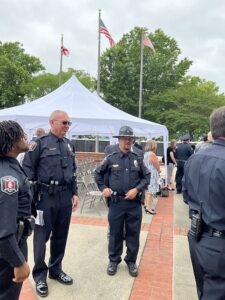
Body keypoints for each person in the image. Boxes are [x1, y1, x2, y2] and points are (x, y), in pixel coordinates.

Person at [22, 110, 79, 298]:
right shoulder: (39, 144)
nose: (67, 126)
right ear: (52, 122)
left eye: (69, 123)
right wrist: (31, 198)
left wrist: (75, 192)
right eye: (64, 123)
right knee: (41, 238)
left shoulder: (69, 145)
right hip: (44, 199)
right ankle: (40, 276)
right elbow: (27, 171)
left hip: (65, 198)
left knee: (61, 236)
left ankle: (56, 269)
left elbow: (73, 171)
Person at [95, 126, 150, 277]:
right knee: (115, 233)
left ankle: (131, 261)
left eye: (130, 139)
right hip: (116, 203)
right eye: (125, 138)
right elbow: (98, 173)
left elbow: (147, 177)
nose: (128, 141)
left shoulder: (138, 157)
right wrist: (103, 188)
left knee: (133, 233)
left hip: (134, 204)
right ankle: (114, 260)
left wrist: (137, 189)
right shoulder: (111, 157)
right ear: (119, 140)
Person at [183, 106, 225, 299]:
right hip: (219, 245)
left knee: (204, 291)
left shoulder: (195, 158)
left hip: (197, 238)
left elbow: (185, 195)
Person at [0, 120, 34, 300]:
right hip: (9, 249)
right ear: (12, 140)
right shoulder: (8, 177)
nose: (25, 137)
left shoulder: (10, 165)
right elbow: (3, 229)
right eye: (22, 134)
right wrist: (18, 261)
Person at [143, 140, 160, 215]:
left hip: (147, 173)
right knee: (150, 192)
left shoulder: (146, 154)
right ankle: (148, 208)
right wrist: (159, 171)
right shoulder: (152, 154)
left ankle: (146, 205)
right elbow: (156, 166)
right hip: (152, 174)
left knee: (147, 191)